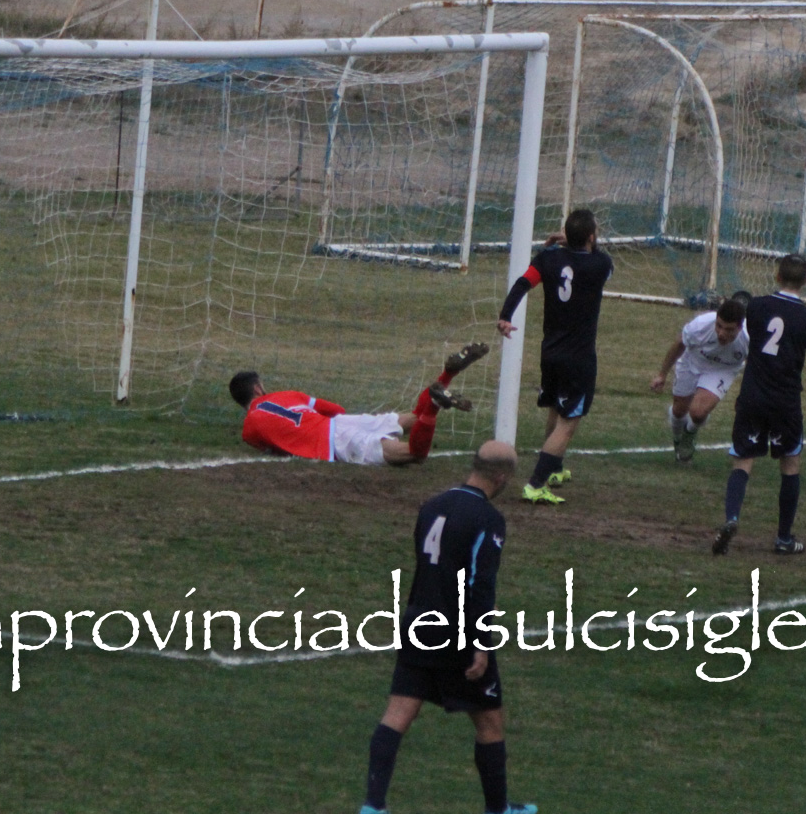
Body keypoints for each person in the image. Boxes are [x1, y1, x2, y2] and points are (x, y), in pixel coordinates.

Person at [361, 440, 535, 814]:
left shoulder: (431, 505)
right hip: (456, 632)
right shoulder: (487, 519)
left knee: (397, 715)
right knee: (490, 722)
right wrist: (481, 641)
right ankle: (498, 810)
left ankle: (373, 806)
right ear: (501, 477)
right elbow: (479, 584)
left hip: (418, 622)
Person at [712, 254, 806, 557]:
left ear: (777, 277)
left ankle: (732, 518)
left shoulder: (758, 307)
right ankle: (784, 538)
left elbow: (742, 328)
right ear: (805, 281)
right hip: (785, 402)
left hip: (753, 396)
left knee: (743, 460)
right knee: (790, 464)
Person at [495, 208, 613, 505]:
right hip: (579, 359)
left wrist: (505, 316)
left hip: (550, 353)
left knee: (555, 410)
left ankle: (554, 470)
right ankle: (535, 484)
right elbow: (598, 255)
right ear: (591, 236)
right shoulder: (600, 265)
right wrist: (577, 242)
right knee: (568, 422)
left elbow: (522, 283)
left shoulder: (547, 259)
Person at [231, 343, 490, 466]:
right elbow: (337, 410)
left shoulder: (249, 430)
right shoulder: (287, 395)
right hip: (337, 424)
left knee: (415, 454)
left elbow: (274, 448)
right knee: (412, 419)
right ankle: (447, 374)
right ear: (258, 389)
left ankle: (434, 403)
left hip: (332, 442)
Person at [651, 292, 750, 463]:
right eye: (719, 326)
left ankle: (689, 435)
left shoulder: (750, 337)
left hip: (722, 369)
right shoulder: (700, 325)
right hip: (692, 361)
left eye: (728, 329)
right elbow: (679, 344)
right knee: (679, 411)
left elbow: (756, 364)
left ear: (740, 327)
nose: (721, 333)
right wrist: (662, 375)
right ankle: (678, 439)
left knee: (698, 413)